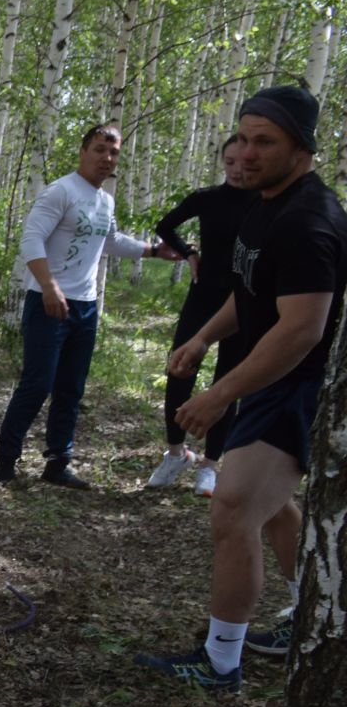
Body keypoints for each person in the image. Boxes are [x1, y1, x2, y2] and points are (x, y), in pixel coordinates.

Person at [136, 85, 344, 690]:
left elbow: (302, 331)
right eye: (244, 138)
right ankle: (317, 613)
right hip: (272, 381)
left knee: (232, 510)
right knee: (272, 507)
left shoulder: (310, 222)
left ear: (301, 148)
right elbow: (251, 290)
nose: (248, 154)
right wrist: (202, 339)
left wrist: (219, 393)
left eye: (266, 142)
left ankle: (220, 662)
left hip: (298, 389)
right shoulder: (266, 202)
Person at [0, 124, 178, 489]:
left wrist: (154, 251)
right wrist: (48, 287)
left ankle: (58, 462)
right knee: (37, 383)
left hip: (85, 306)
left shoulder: (104, 201)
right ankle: (5, 461)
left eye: (114, 153)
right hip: (47, 302)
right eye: (99, 150)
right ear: (83, 151)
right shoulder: (61, 191)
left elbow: (108, 241)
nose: (106, 159)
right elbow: (32, 240)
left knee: (71, 387)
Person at [146, 136, 255, 495]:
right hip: (203, 294)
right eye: (230, 162)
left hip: (242, 302)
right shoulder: (207, 198)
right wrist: (189, 253)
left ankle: (210, 465)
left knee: (228, 380)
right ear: (222, 163)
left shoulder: (265, 203)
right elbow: (165, 225)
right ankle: (175, 452)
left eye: (244, 162)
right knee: (179, 371)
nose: (238, 169)